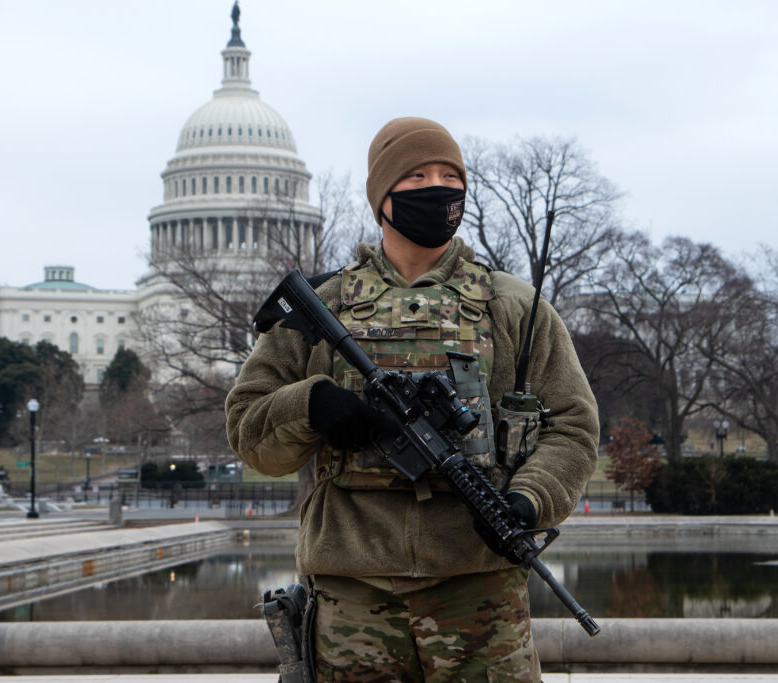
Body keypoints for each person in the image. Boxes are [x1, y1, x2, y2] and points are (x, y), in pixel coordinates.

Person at [226, 116, 599, 681]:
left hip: (478, 589)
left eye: (451, 176)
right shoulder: (322, 307)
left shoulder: (513, 305)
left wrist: (529, 499)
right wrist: (312, 405)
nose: (439, 188)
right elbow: (250, 432)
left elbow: (572, 425)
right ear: (382, 195)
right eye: (418, 174)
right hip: (352, 592)